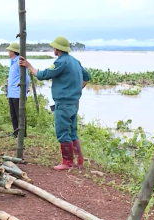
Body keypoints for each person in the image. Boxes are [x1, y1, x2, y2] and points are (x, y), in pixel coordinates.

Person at [19, 36, 91, 170]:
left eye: (54, 47)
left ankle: (67, 162)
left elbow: (43, 75)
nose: (53, 49)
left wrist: (29, 66)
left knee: (63, 131)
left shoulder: (61, 62)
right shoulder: (75, 61)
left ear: (57, 49)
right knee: (72, 132)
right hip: (74, 102)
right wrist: (76, 89)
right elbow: (87, 77)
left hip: (63, 102)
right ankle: (79, 161)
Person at [6, 42, 30, 137]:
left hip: (18, 93)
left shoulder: (19, 62)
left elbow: (26, 78)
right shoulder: (12, 62)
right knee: (13, 115)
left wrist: (24, 89)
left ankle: (22, 134)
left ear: (12, 51)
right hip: (11, 93)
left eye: (9, 50)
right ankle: (16, 132)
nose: (8, 52)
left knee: (20, 115)